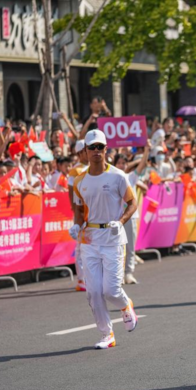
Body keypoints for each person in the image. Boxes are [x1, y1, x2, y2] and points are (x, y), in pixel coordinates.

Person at [69, 129, 139, 349]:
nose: (97, 151)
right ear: (86, 151)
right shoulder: (79, 181)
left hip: (113, 238)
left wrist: (121, 221)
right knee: (94, 291)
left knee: (111, 291)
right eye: (92, 147)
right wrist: (77, 225)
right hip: (89, 240)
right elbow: (79, 209)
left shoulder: (118, 176)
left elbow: (132, 202)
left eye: (100, 147)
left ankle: (126, 304)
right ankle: (106, 334)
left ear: (106, 149)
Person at [113, 143, 150, 285]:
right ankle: (118, 274)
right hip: (115, 218)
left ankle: (128, 273)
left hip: (130, 217)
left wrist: (146, 150)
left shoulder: (131, 177)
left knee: (130, 247)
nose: (121, 165)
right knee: (117, 247)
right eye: (119, 163)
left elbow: (143, 164)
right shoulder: (110, 178)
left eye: (124, 163)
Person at [68, 140, 88, 292]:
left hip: (93, 212)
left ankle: (89, 277)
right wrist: (76, 212)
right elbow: (71, 193)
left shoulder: (93, 167)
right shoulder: (75, 171)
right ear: (80, 152)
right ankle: (81, 279)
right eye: (87, 149)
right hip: (82, 213)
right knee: (81, 247)